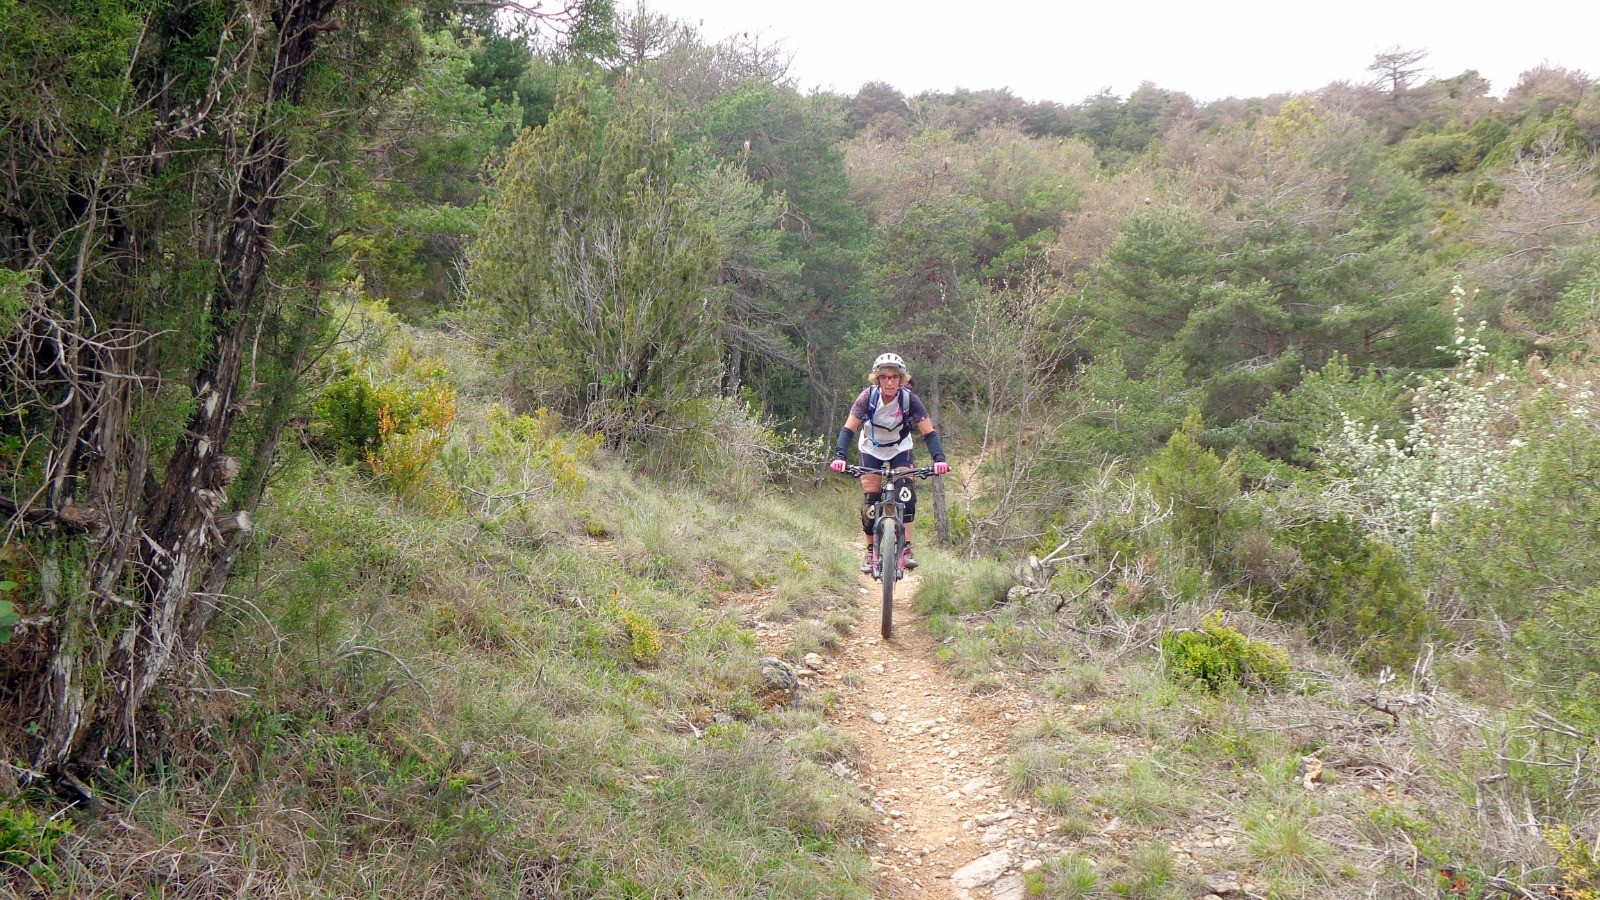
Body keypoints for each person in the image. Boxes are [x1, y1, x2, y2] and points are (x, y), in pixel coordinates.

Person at [829, 352, 950, 573]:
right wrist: (839, 456)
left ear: (901, 379)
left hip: (900, 448)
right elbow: (848, 429)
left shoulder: (909, 400)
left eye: (894, 377)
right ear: (877, 379)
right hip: (871, 449)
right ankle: (870, 552)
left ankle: (906, 549)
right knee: (871, 503)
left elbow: (929, 433)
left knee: (907, 495)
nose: (889, 382)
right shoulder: (867, 398)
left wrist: (939, 460)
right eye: (884, 377)